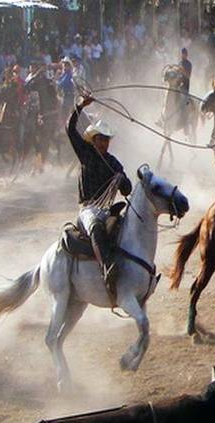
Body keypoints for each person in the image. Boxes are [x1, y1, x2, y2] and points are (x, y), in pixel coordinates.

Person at [67, 94, 132, 284]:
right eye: (101, 139)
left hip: (106, 209)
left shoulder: (113, 162)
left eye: (106, 140)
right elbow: (70, 129)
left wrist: (121, 180)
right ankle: (106, 267)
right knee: (95, 226)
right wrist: (80, 106)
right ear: (93, 139)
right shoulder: (85, 153)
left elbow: (127, 189)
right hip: (87, 209)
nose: (104, 143)